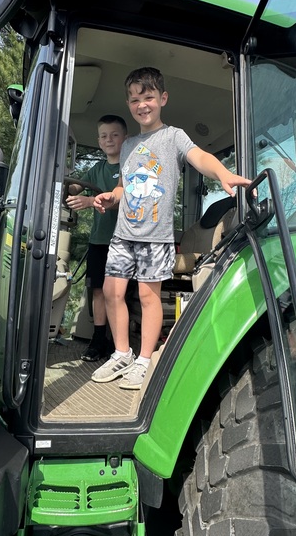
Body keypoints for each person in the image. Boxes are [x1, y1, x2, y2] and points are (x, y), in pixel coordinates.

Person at [91, 67, 252, 389]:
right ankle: (121, 352)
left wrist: (222, 173)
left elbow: (199, 156)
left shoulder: (173, 136)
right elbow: (124, 187)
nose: (142, 105)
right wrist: (111, 198)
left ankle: (143, 360)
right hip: (123, 234)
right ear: (129, 103)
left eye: (148, 97)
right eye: (135, 99)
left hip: (155, 236)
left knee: (148, 298)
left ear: (162, 98)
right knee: (111, 292)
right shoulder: (128, 144)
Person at [66, 115, 128, 361]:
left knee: (117, 293)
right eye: (104, 136)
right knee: (98, 291)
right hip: (99, 240)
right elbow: (76, 187)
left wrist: (91, 201)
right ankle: (98, 340)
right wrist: (66, 185)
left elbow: (117, 197)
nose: (108, 139)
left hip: (123, 240)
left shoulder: (128, 168)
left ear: (125, 138)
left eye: (114, 134)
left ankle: (119, 344)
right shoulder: (97, 169)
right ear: (99, 141)